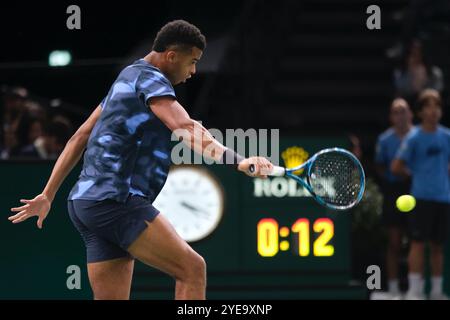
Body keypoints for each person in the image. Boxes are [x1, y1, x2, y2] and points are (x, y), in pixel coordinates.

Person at [7, 20, 272, 300]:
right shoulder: (151, 79)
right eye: (191, 61)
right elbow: (185, 128)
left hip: (84, 204)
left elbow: (80, 136)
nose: (194, 71)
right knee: (193, 269)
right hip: (117, 200)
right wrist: (237, 160)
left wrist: (48, 194)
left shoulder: (128, 76)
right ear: (171, 56)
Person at [392, 89, 450, 300]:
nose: (434, 111)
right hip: (421, 197)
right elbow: (396, 166)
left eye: (437, 106)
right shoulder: (414, 137)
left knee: (438, 247)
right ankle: (415, 291)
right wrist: (416, 173)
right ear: (421, 112)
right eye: (429, 106)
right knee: (417, 245)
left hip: (443, 198)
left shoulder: (447, 136)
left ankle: (436, 291)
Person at [374, 98, 415, 299]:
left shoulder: (419, 136)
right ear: (391, 117)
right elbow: (380, 166)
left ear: (411, 114)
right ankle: (393, 288)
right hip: (393, 191)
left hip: (418, 189)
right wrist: (394, 175)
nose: (400, 115)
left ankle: (418, 286)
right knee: (394, 243)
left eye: (403, 111)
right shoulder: (384, 140)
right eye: (395, 112)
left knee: (419, 242)